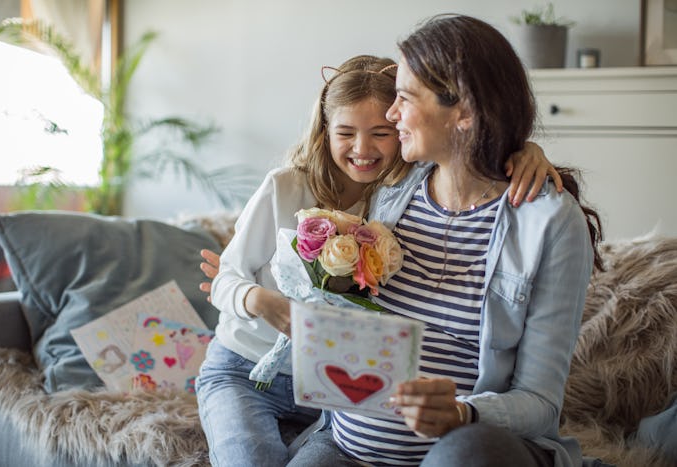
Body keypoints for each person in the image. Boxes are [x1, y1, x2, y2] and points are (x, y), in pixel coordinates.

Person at [195, 54, 562, 467]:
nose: (362, 149)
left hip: (325, 384)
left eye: (381, 133)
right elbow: (228, 274)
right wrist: (260, 301)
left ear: (403, 126)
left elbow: (467, 150)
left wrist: (526, 150)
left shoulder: (399, 195)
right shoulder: (286, 187)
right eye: (346, 132)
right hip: (245, 368)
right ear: (324, 131)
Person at [286, 14, 603, 467]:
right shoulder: (391, 189)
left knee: (463, 454)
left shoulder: (549, 223)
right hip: (346, 448)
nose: (390, 114)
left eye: (404, 98)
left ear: (465, 112)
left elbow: (540, 402)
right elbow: (317, 158)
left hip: (471, 448)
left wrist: (462, 412)